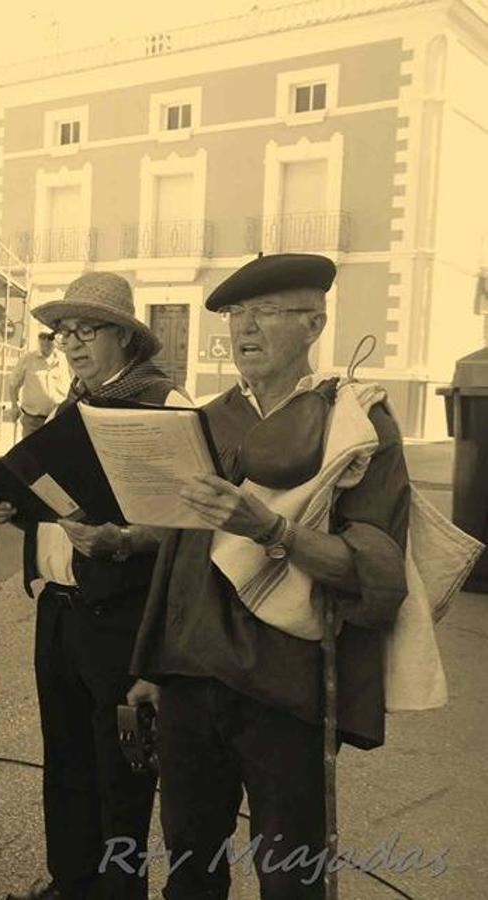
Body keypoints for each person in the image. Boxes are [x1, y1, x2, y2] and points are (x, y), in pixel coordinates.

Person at [128, 254, 411, 899]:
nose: (244, 328)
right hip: (189, 677)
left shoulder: (357, 427)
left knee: (290, 878)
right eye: (235, 314)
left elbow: (375, 573)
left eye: (266, 312)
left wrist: (273, 531)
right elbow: (179, 556)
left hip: (285, 684)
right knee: (189, 870)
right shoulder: (206, 420)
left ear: (314, 323)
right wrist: (150, 668)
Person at [0, 273, 192, 900]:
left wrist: (123, 540)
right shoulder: (70, 403)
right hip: (59, 607)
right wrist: (11, 508)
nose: (71, 343)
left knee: (122, 769)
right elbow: (55, 496)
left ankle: (118, 894)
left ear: (125, 336)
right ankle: (71, 881)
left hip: (121, 614)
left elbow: (190, 523)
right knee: (67, 758)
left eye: (86, 330)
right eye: (63, 333)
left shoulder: (163, 402)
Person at [4, 327, 69, 437]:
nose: (46, 341)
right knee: (31, 448)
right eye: (42, 337)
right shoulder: (28, 358)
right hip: (32, 421)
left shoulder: (64, 359)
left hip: (57, 419)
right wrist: (14, 406)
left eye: (50, 337)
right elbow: (13, 384)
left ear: (56, 339)